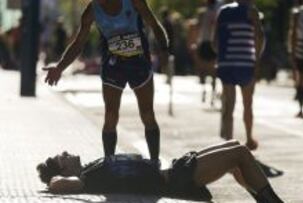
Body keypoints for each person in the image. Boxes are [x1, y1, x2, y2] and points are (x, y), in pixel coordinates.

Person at [42, 0, 169, 164]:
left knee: (147, 114)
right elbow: (79, 43)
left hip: (138, 63)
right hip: (113, 65)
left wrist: (164, 50)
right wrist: (59, 67)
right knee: (110, 116)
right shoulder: (92, 10)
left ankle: (154, 163)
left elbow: (154, 25)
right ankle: (109, 163)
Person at [37, 140, 284, 202]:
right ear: (65, 169)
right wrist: (55, 179)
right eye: (64, 157)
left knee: (234, 150)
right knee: (239, 153)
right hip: (175, 180)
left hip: (175, 169)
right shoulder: (86, 179)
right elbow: (57, 185)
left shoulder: (91, 167)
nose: (68, 153)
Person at [213, 0, 264, 150]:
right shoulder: (252, 12)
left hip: (226, 63)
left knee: (229, 105)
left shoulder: (223, 11)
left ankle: (228, 144)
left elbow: (214, 41)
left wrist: (221, 57)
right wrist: (257, 61)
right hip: (246, 64)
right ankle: (249, 139)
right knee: (247, 104)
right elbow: (259, 37)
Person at [196, 0, 222, 106]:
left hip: (208, 42)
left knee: (209, 70)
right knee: (208, 70)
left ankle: (209, 93)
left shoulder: (213, 11)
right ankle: (207, 92)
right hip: (206, 42)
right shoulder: (207, 12)